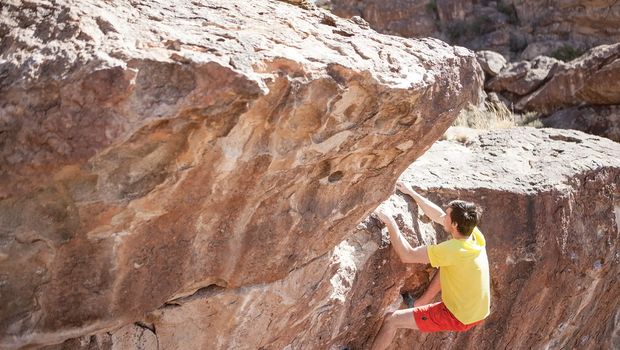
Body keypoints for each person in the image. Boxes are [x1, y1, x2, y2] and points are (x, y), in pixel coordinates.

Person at [369, 181, 490, 350]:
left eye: (448, 215)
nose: (444, 217)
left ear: (455, 224)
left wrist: (390, 222)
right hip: (477, 310)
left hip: (459, 316)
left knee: (391, 320)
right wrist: (412, 193)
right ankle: (421, 302)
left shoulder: (452, 250)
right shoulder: (474, 234)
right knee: (447, 266)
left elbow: (407, 255)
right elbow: (438, 216)